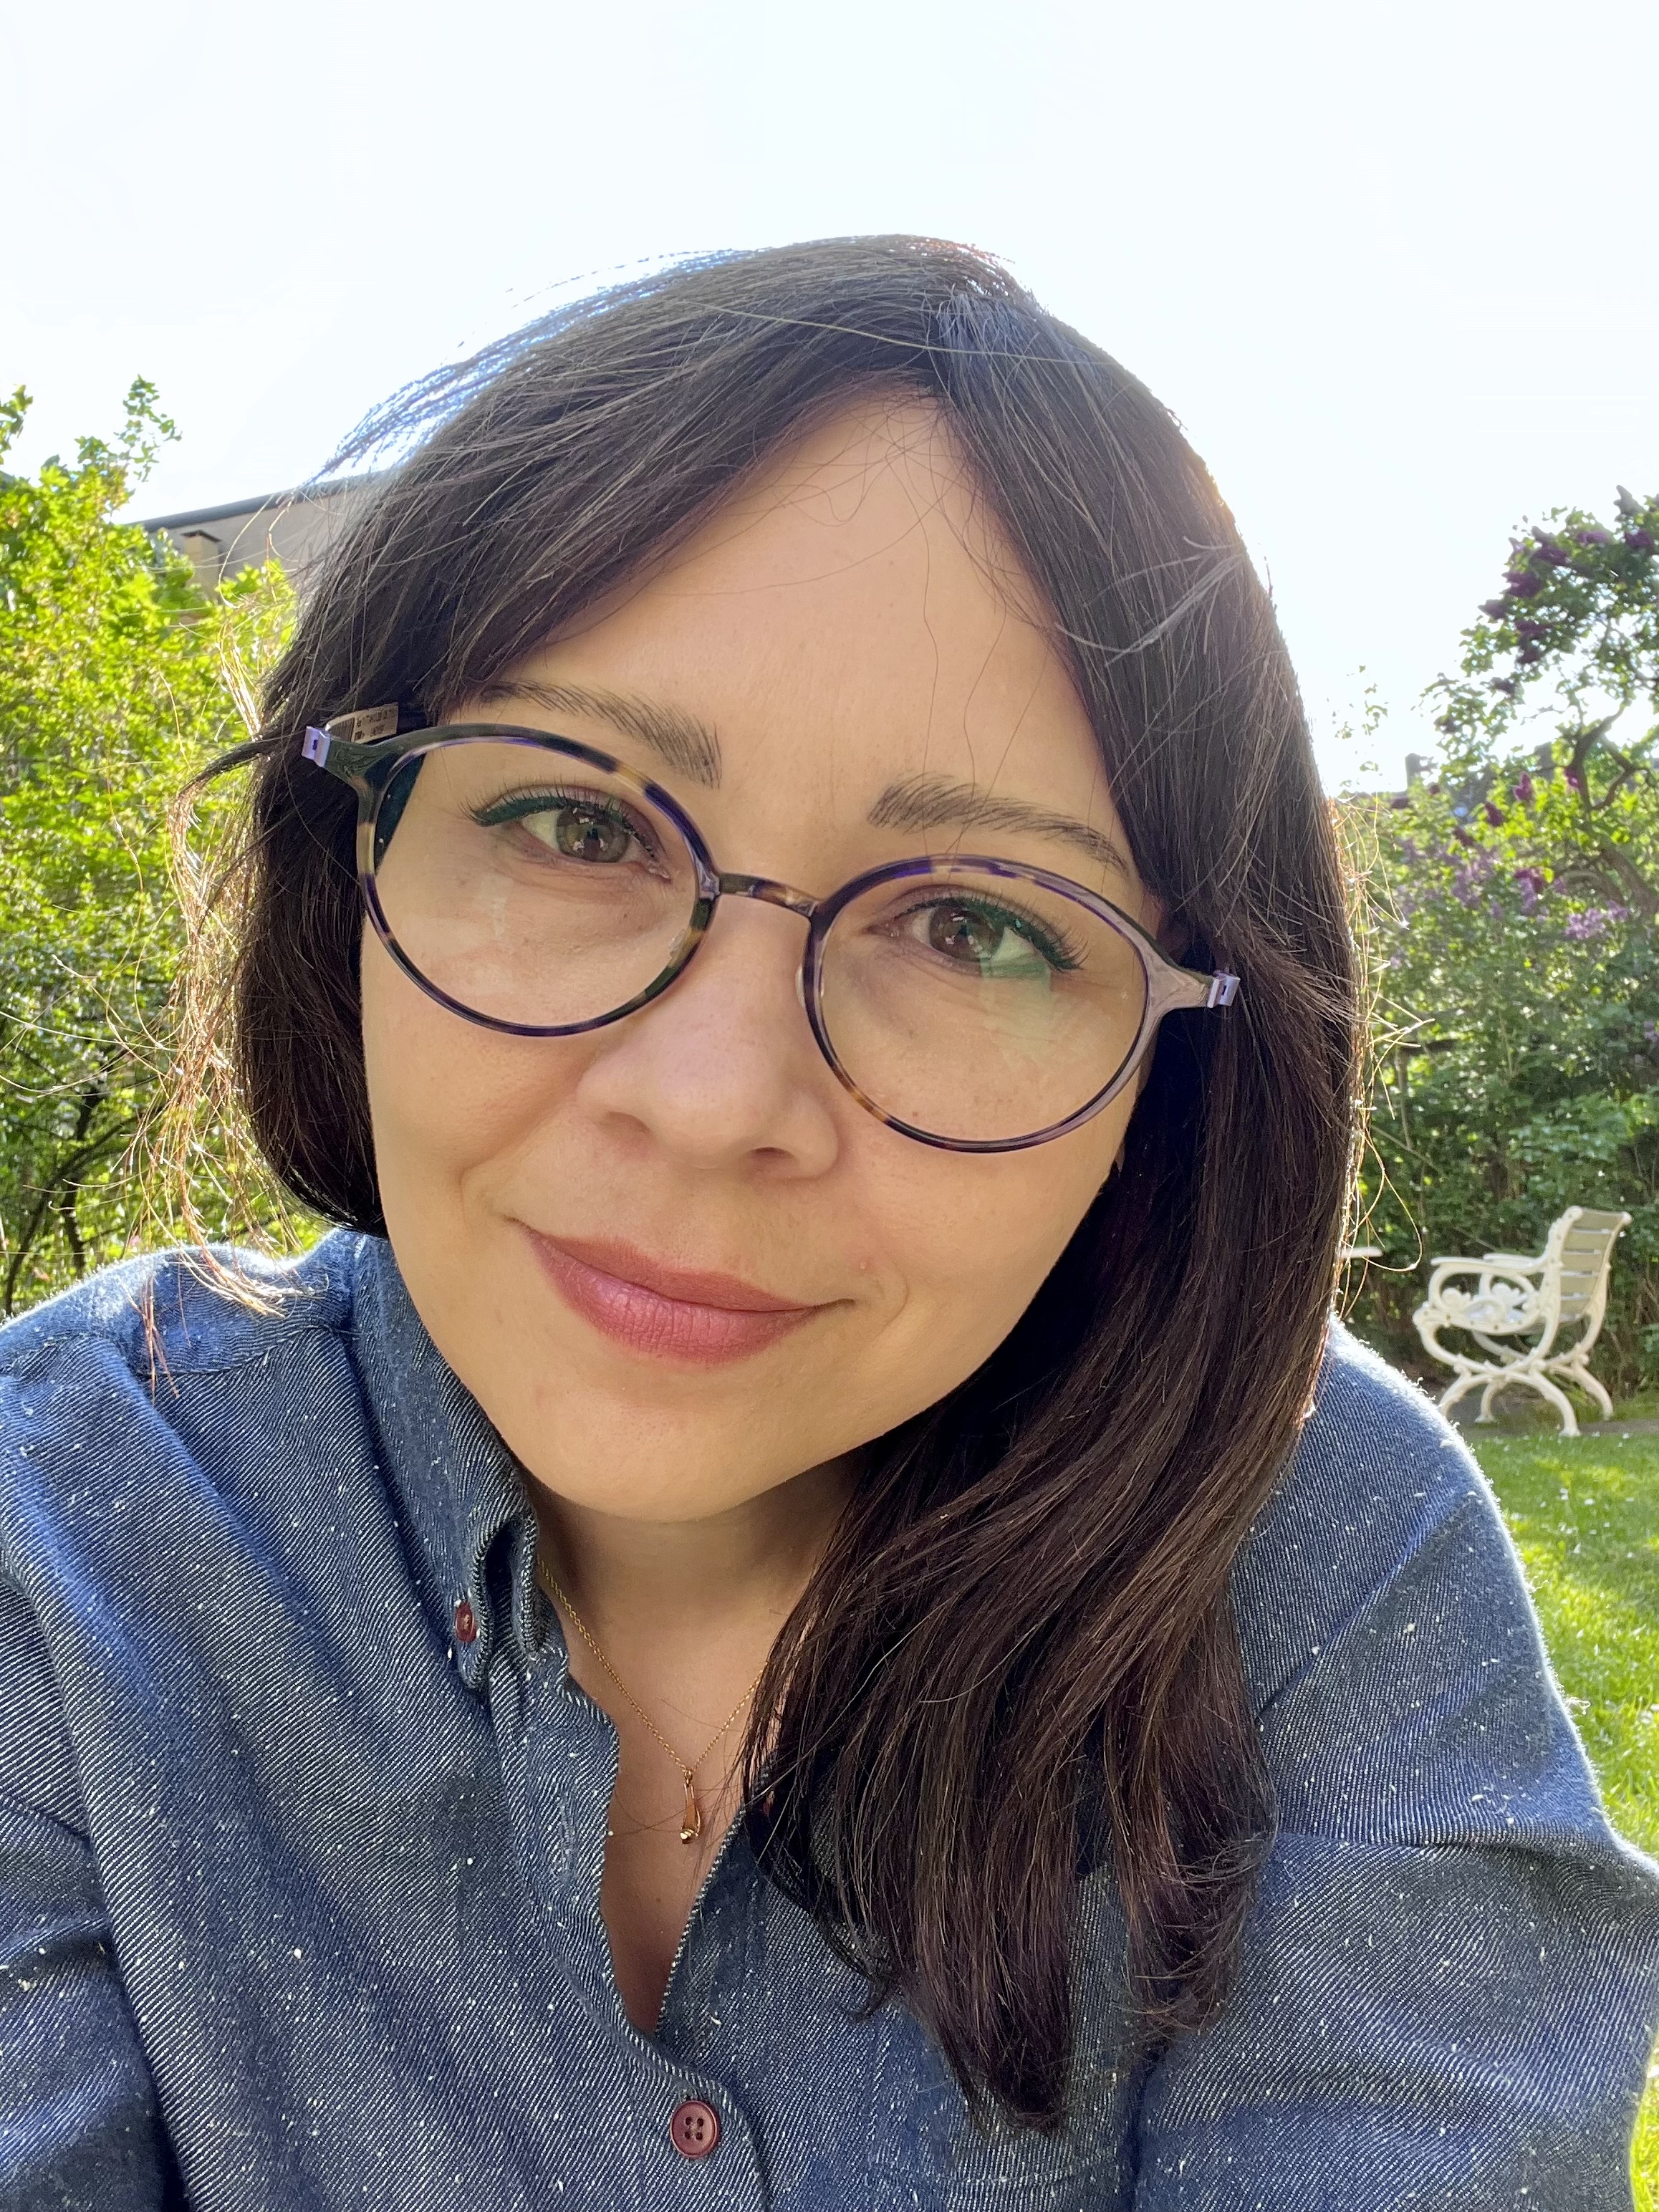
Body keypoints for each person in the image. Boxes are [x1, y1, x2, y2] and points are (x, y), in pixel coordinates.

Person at [1, 237, 1654, 2212]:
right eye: (575, 822)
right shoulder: (62, 1529)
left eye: (975, 926)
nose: (713, 1104)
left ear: (1179, 1069)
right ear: (351, 843)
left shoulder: (1325, 1564)